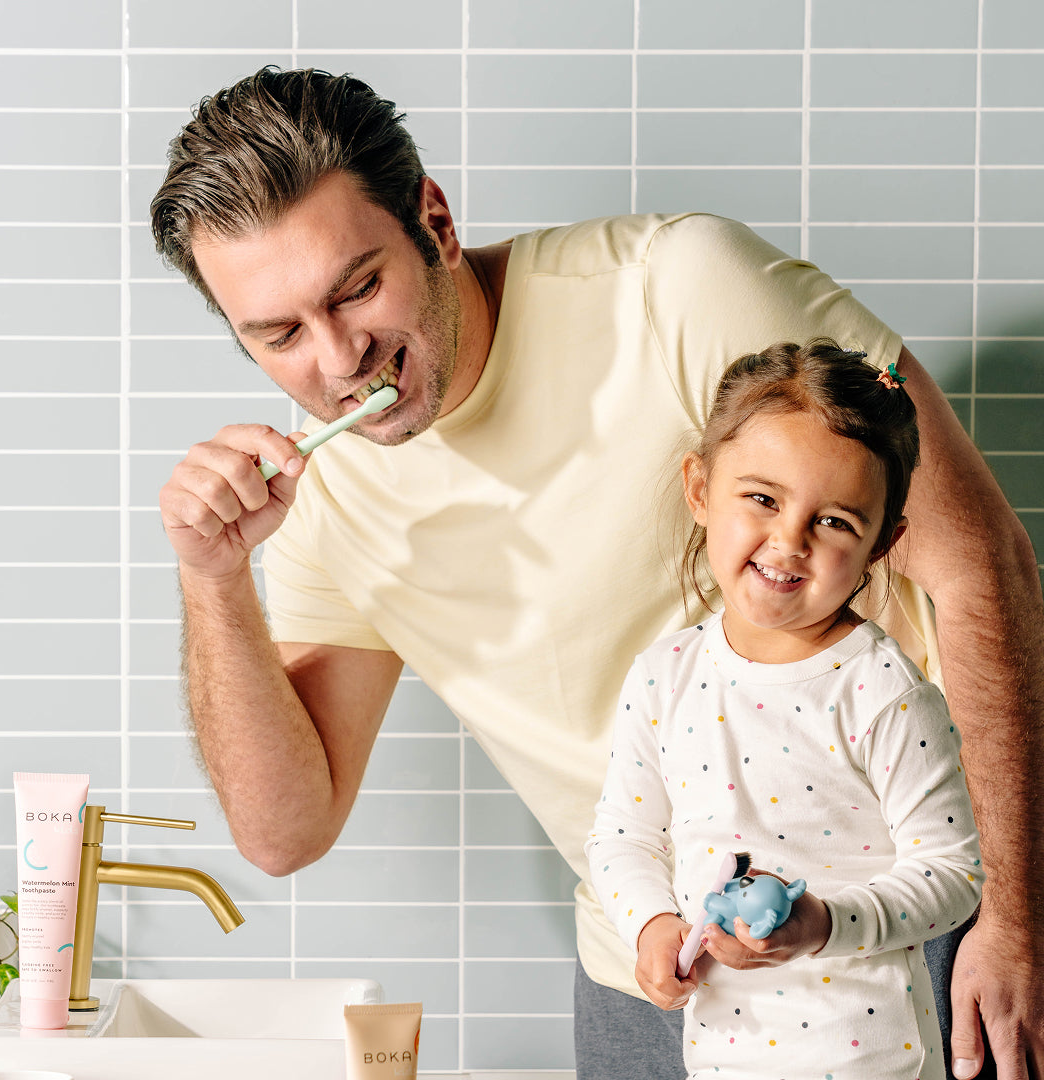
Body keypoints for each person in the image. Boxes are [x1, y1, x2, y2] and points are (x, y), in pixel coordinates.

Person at [152, 67, 1043, 1080]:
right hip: (645, 984)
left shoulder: (677, 290)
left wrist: (1015, 924)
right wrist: (213, 579)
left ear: (434, 222)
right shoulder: (324, 498)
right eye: (278, 335)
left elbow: (980, 566)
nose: (341, 358)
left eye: (358, 289)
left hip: (900, 948)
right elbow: (285, 833)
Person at [586, 339, 984, 1079]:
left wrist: (823, 926)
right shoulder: (664, 677)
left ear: (881, 544)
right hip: (721, 1059)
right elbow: (621, 838)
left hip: (874, 1061)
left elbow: (955, 874)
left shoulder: (882, 690)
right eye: (763, 499)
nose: (790, 541)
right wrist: (650, 926)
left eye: (835, 521)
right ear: (700, 488)